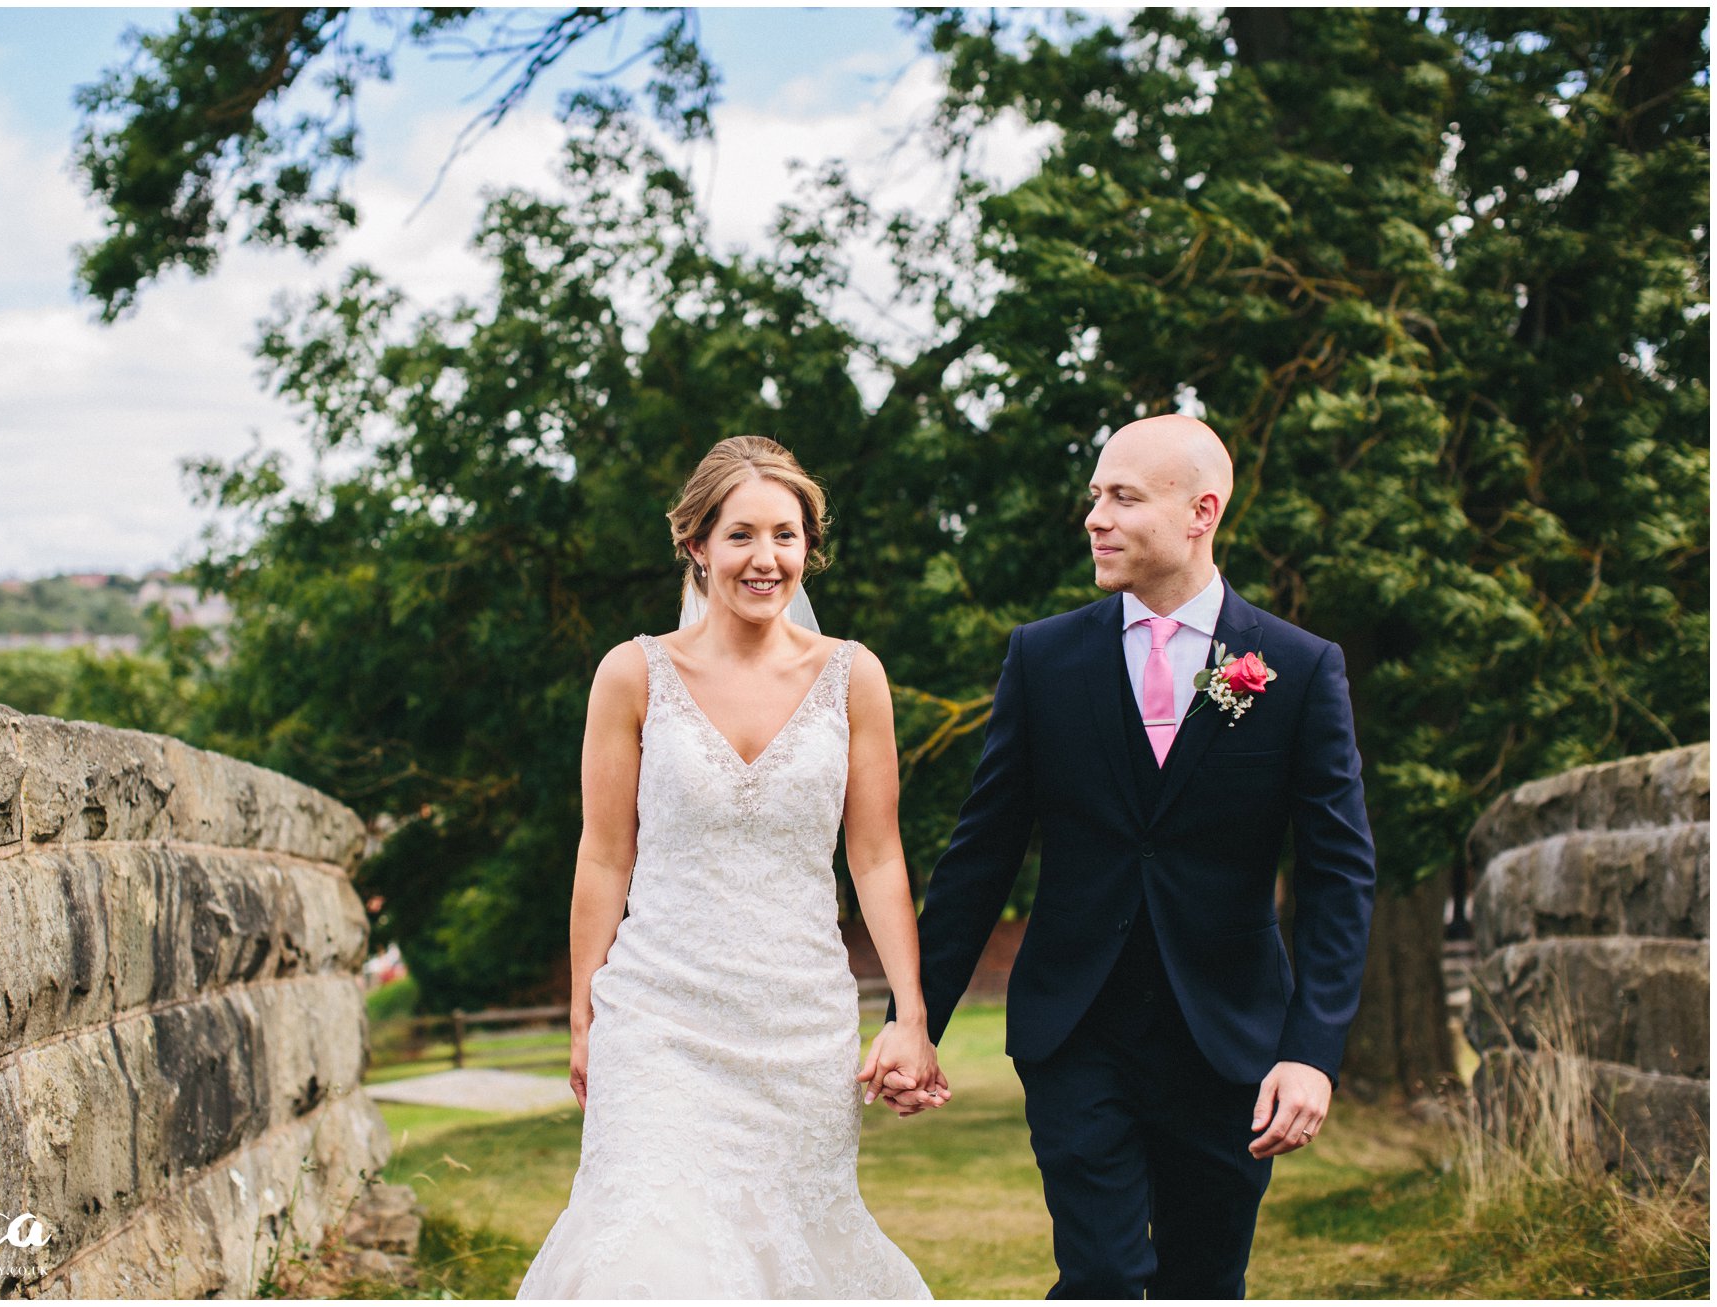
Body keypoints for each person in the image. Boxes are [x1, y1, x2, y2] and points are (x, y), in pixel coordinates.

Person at [881, 414, 1376, 1299]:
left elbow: (1339, 876)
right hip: (1076, 1032)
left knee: (1202, 1280)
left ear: (1201, 512)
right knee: (1104, 1274)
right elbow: (979, 855)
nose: (1094, 518)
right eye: (1094, 495)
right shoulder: (1044, 657)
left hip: (1230, 1043)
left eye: (1123, 496)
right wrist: (914, 1018)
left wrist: (1312, 1051)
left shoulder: (1295, 669)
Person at [517, 436, 937, 1299]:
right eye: (741, 534)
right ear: (697, 545)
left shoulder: (854, 679)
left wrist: (912, 1014)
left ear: (807, 550)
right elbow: (603, 856)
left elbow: (878, 853)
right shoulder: (632, 675)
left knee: (790, 1256)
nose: (765, 558)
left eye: (786, 536)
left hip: (798, 1023)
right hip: (657, 1017)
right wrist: (583, 1013)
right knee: (646, 1249)